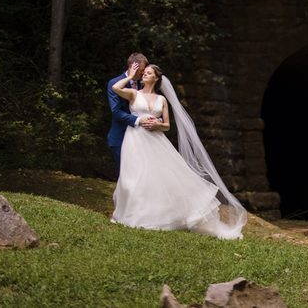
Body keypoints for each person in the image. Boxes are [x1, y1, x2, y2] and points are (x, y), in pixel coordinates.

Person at [110, 63, 247, 239]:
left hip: (156, 140)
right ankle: (130, 214)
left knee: (158, 177)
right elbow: (115, 88)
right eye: (143, 73)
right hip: (135, 139)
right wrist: (130, 75)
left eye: (148, 73)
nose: (144, 75)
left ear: (156, 78)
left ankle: (158, 216)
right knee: (134, 176)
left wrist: (158, 124)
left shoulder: (161, 100)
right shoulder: (133, 94)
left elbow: (167, 125)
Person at [106, 52, 157, 172]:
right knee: (125, 175)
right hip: (121, 136)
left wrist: (155, 120)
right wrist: (139, 120)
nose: (144, 73)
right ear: (133, 66)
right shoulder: (114, 83)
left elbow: (151, 105)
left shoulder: (144, 83)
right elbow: (116, 112)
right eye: (142, 70)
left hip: (142, 137)